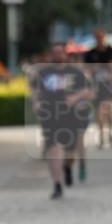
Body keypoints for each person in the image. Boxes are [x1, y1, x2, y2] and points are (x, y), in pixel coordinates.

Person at [31, 43, 93, 200]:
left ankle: (67, 168)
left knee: (70, 154)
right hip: (50, 115)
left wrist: (75, 98)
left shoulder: (75, 72)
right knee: (54, 149)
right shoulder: (43, 73)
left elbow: (87, 90)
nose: (58, 55)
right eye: (55, 53)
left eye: (61, 52)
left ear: (65, 54)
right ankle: (57, 184)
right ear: (51, 55)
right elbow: (35, 91)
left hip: (70, 116)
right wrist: (36, 104)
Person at [84, 29, 112, 149]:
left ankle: (110, 135)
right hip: (96, 87)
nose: (99, 39)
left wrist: (110, 66)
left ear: (104, 37)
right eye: (97, 37)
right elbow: (86, 69)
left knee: (111, 112)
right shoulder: (91, 53)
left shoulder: (110, 51)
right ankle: (101, 138)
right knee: (99, 114)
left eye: (101, 36)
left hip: (108, 87)